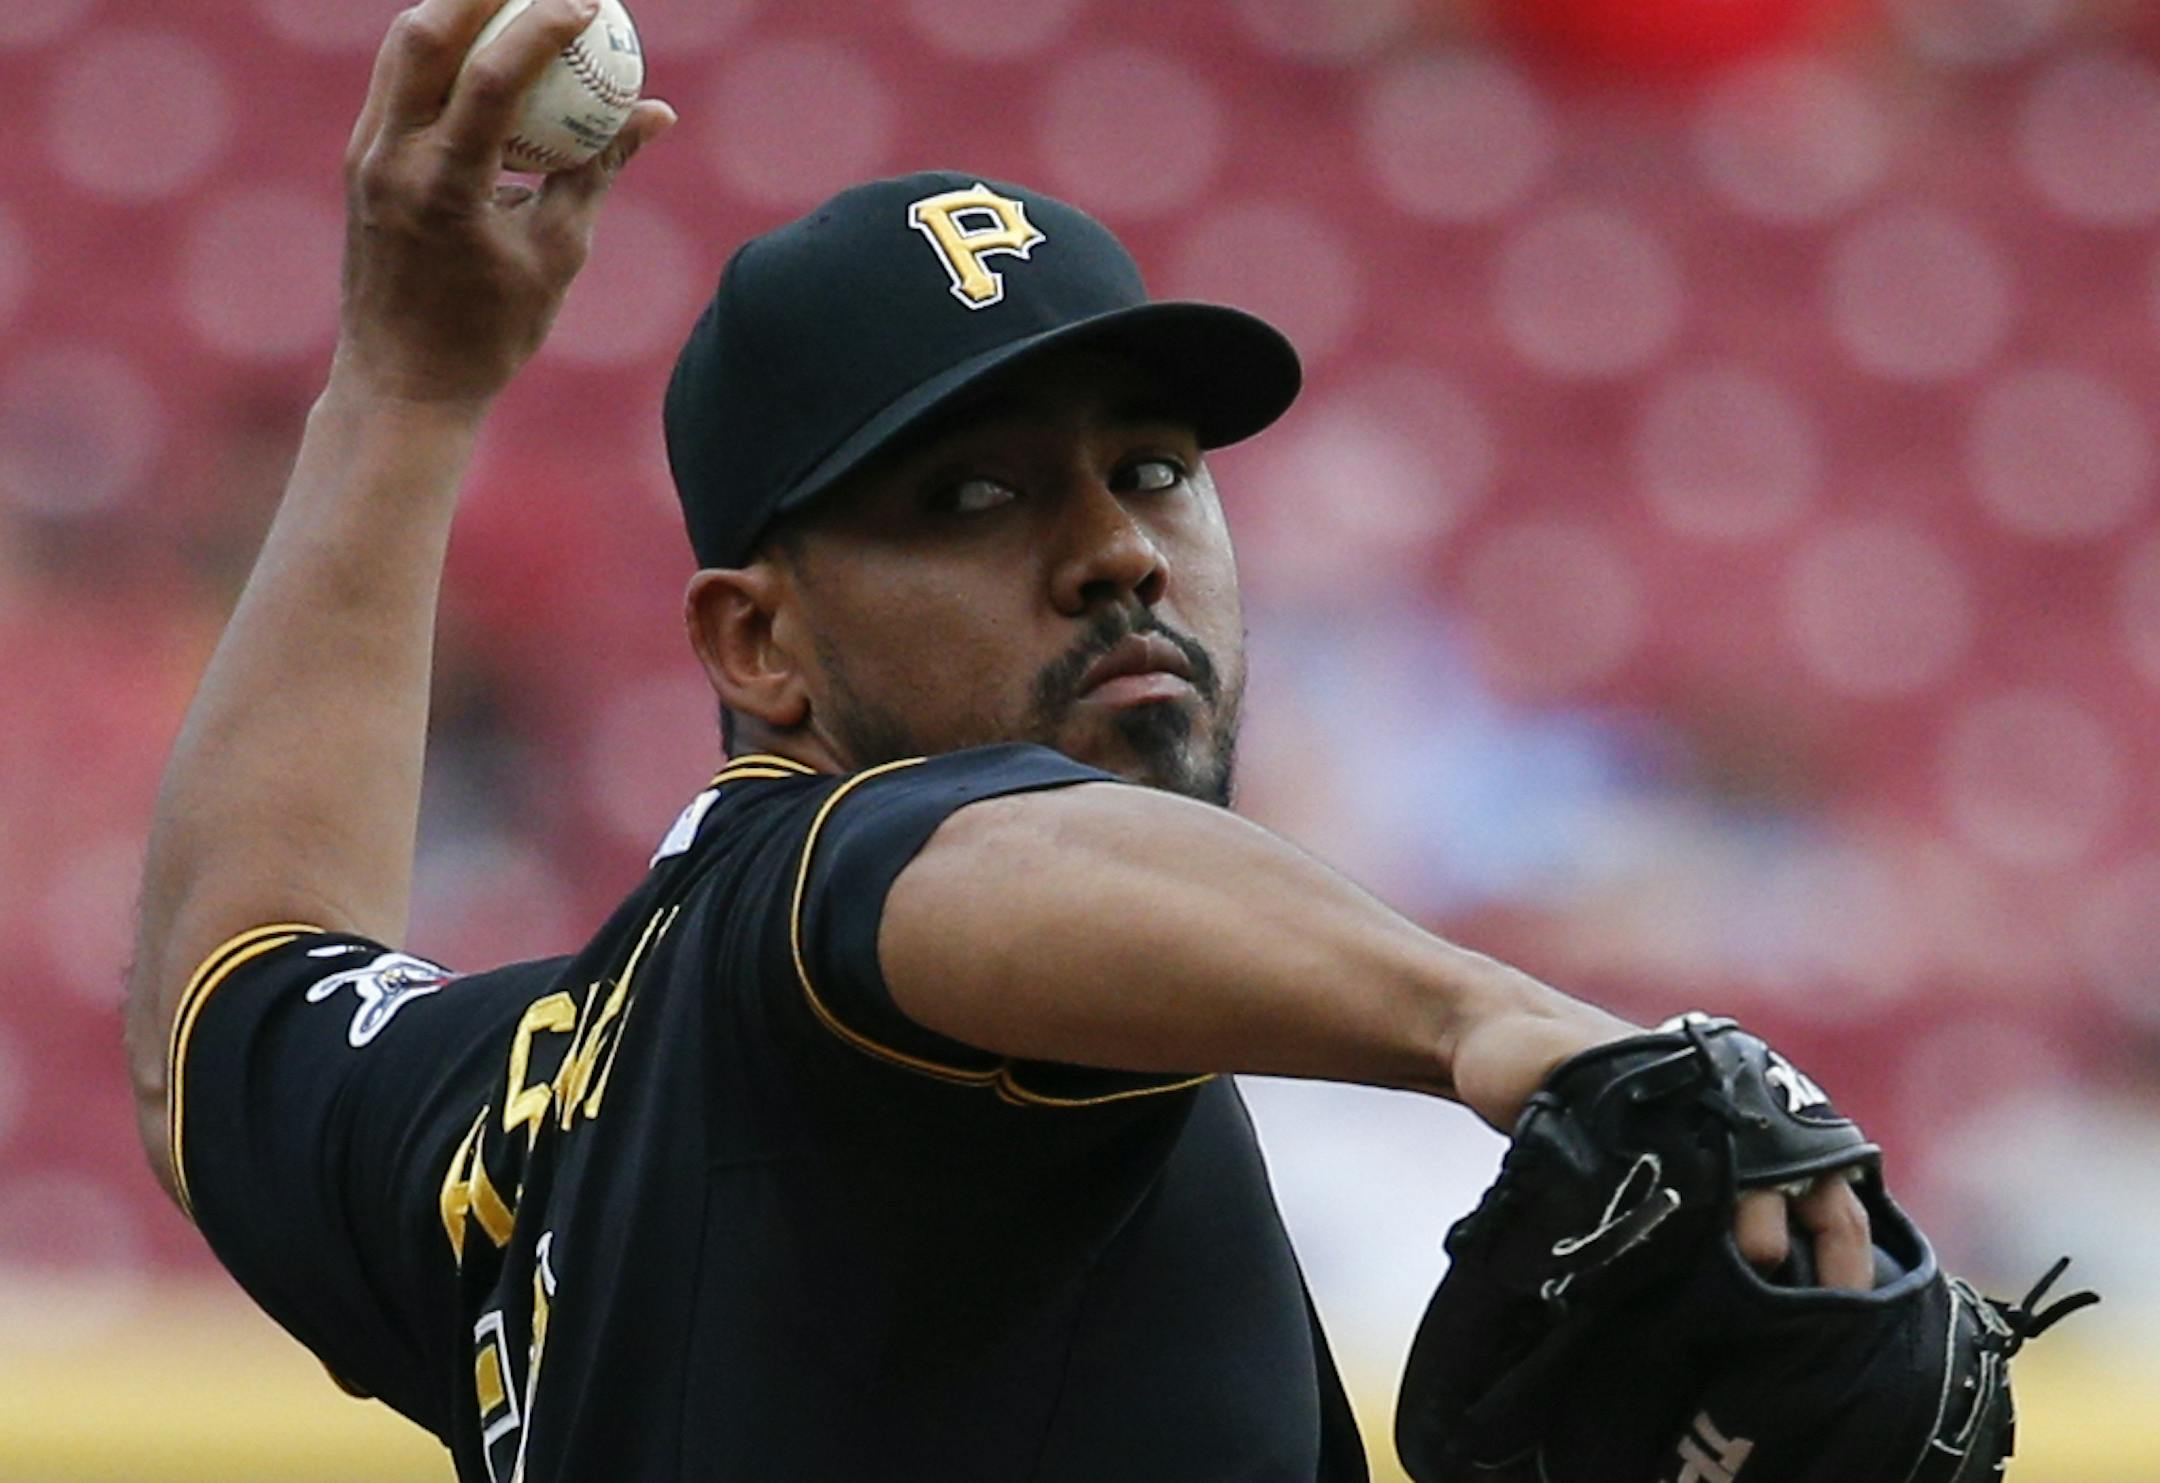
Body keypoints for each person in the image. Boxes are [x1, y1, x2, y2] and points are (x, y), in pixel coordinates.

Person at [120, 2, 1877, 1479]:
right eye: (973, 494)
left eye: (1156, 469)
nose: (1117, 548)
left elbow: (231, 995)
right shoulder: (824, 892)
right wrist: (1508, 1030)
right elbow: (952, 873)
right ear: (761, 645)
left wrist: (410, 387)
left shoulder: (530, 1114)